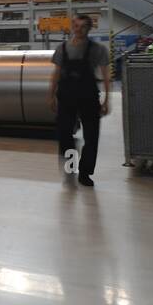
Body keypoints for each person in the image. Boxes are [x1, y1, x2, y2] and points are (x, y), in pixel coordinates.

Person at [47, 13, 111, 186]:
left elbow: (106, 75)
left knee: (91, 137)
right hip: (66, 96)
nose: (79, 29)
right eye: (76, 26)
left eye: (83, 26)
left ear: (89, 28)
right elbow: (56, 74)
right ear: (72, 27)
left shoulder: (98, 49)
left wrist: (106, 100)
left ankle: (85, 173)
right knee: (64, 135)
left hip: (89, 97)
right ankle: (70, 169)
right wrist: (51, 95)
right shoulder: (62, 49)